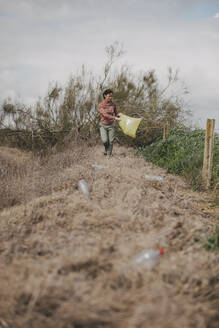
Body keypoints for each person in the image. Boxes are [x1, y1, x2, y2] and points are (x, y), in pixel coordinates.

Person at [98, 89, 120, 156]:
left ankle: (108, 155)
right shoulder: (101, 105)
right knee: (105, 141)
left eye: (111, 96)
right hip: (103, 125)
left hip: (111, 125)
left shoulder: (113, 104)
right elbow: (105, 115)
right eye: (109, 96)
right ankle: (106, 149)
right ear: (105, 96)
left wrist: (119, 115)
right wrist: (114, 118)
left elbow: (116, 113)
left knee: (111, 141)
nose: (110, 98)